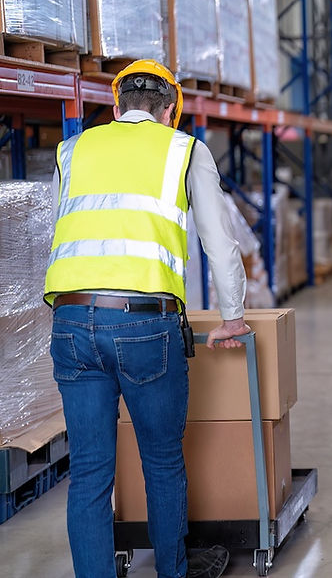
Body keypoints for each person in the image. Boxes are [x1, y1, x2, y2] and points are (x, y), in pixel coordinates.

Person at [44, 59, 250, 578]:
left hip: (70, 322)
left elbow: (59, 233)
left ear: (116, 107)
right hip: (143, 325)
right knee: (160, 462)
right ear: (169, 113)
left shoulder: (73, 150)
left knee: (90, 472)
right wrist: (232, 316)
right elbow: (220, 244)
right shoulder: (184, 150)